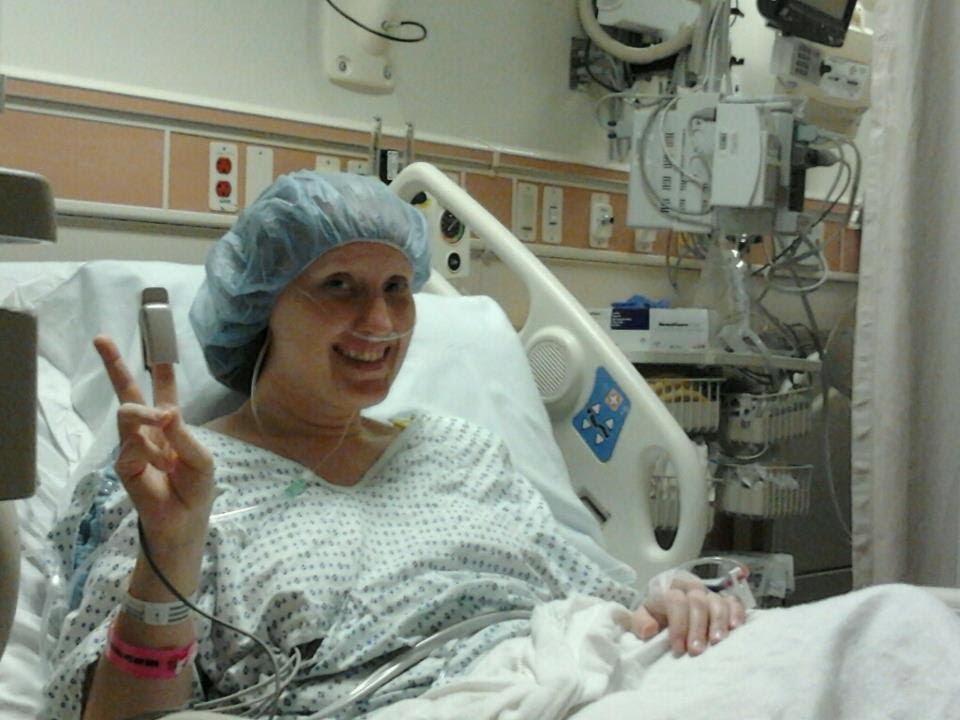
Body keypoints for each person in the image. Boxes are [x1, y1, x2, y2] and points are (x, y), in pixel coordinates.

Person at [43, 171, 746, 720]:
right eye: (339, 286)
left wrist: (669, 599)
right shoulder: (176, 482)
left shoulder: (462, 449)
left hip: (598, 680)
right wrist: (170, 551)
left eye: (397, 288)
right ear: (262, 308)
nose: (379, 321)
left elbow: (598, 602)